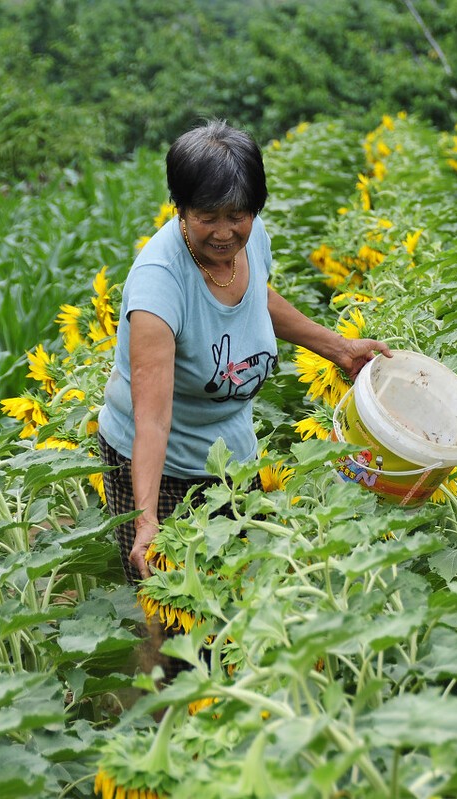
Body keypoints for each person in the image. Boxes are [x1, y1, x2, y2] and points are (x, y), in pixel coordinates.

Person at [97, 120, 390, 586]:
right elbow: (152, 420)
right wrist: (146, 518)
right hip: (164, 465)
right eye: (206, 217)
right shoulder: (159, 286)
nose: (224, 232)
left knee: (242, 592)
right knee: (176, 605)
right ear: (180, 208)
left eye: (237, 215)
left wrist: (338, 349)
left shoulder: (253, 239)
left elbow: (257, 299)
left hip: (233, 453)